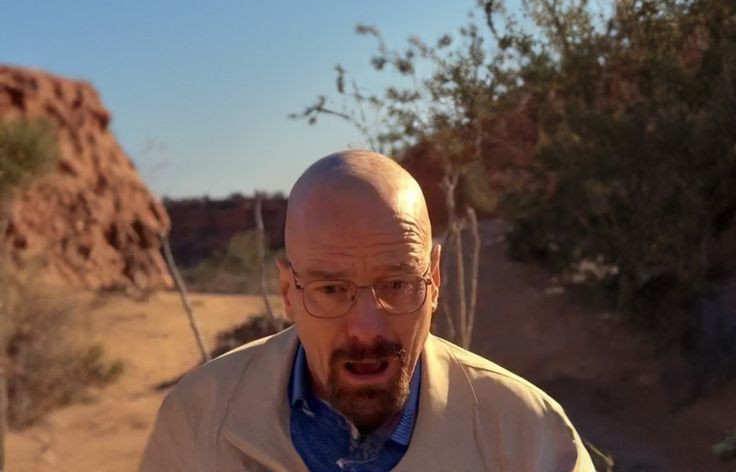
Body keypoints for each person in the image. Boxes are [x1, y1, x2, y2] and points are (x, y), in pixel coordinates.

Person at [139, 150, 595, 471]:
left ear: (434, 281)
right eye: (332, 288)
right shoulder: (199, 420)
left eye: (397, 284)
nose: (366, 328)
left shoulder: (526, 436)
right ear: (287, 291)